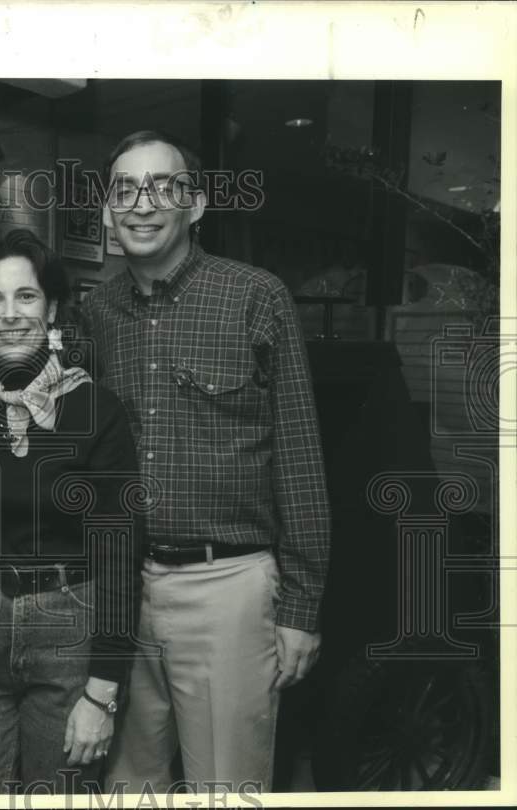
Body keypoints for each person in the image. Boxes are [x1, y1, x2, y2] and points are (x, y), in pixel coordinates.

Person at [80, 131, 330, 794]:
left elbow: (301, 455)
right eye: (124, 190)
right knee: (128, 790)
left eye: (162, 186)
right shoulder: (96, 314)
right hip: (126, 592)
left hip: (229, 588)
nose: (141, 205)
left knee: (225, 789)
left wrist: (302, 606)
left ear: (196, 203)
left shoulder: (255, 296)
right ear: (107, 208)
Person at [0, 229, 143, 794]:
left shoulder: (98, 411)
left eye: (25, 297)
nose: (9, 314)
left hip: (68, 629)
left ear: (51, 308)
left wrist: (104, 687)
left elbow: (121, 553)